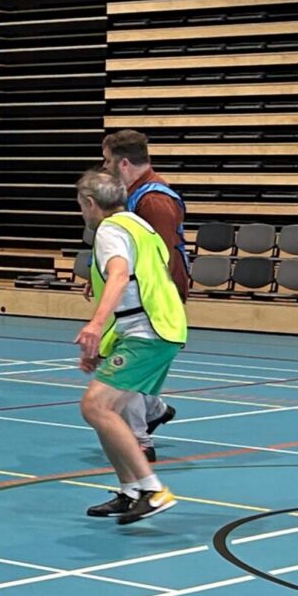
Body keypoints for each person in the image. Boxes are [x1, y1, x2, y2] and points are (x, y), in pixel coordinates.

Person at [74, 169, 186, 525]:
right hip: (160, 327)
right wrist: (104, 343)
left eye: (80, 205)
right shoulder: (140, 225)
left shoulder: (109, 230)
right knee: (114, 412)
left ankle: (152, 490)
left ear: (90, 203)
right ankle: (131, 490)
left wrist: (93, 325)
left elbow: (121, 276)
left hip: (147, 332)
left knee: (96, 407)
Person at [101, 130, 187, 460]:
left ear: (123, 163)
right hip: (136, 297)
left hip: (151, 301)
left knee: (126, 368)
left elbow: (157, 258)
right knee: (131, 365)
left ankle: (139, 441)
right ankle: (154, 410)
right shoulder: (133, 195)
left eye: (107, 160)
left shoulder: (154, 200)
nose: (103, 167)